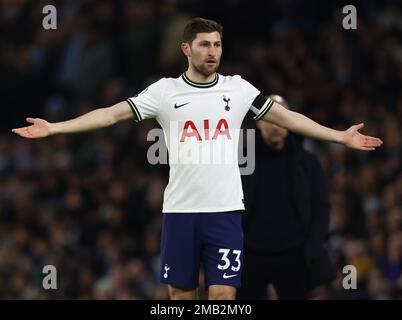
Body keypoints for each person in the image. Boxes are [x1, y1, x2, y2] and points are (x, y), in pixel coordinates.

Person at [12, 18, 382, 300]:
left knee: (223, 297)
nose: (213, 52)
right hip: (180, 212)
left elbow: (288, 118)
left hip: (224, 212)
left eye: (218, 45)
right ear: (186, 49)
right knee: (180, 299)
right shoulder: (164, 92)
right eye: (204, 44)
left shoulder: (237, 89)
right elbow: (111, 114)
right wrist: (56, 128)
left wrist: (339, 136)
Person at [237, 95, 335, 300]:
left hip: (295, 255)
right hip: (249, 254)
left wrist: (311, 249)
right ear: (258, 121)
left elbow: (321, 208)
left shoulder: (308, 163)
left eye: (281, 119)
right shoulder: (239, 161)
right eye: (270, 119)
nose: (276, 126)